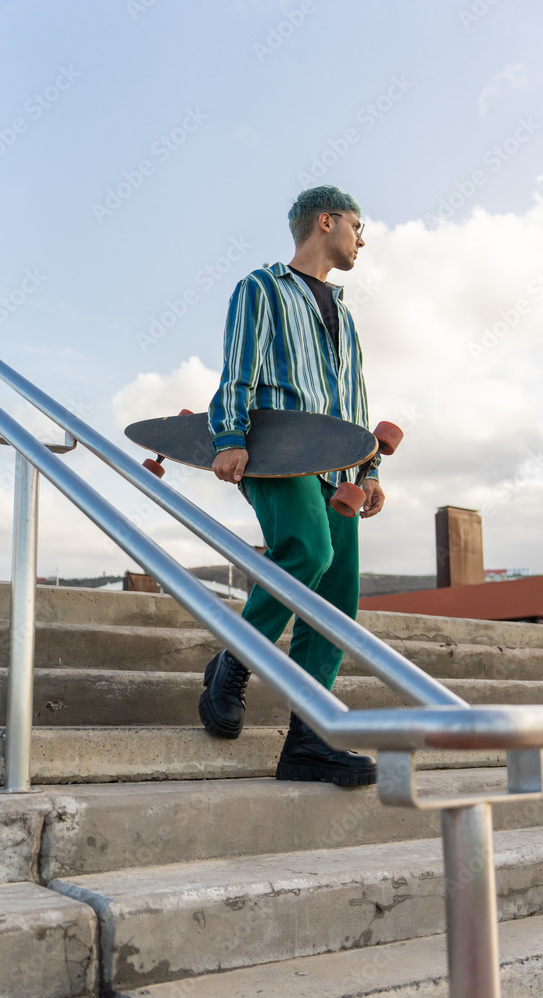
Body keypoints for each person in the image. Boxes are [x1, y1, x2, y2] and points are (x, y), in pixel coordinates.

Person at [199, 185, 384, 787]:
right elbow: (239, 366)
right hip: (277, 453)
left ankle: (308, 741)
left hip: (340, 469)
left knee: (336, 598)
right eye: (358, 225)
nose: (363, 238)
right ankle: (235, 658)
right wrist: (229, 435)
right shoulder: (262, 287)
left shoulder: (347, 316)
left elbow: (354, 399)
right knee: (307, 549)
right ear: (325, 221)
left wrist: (369, 467)